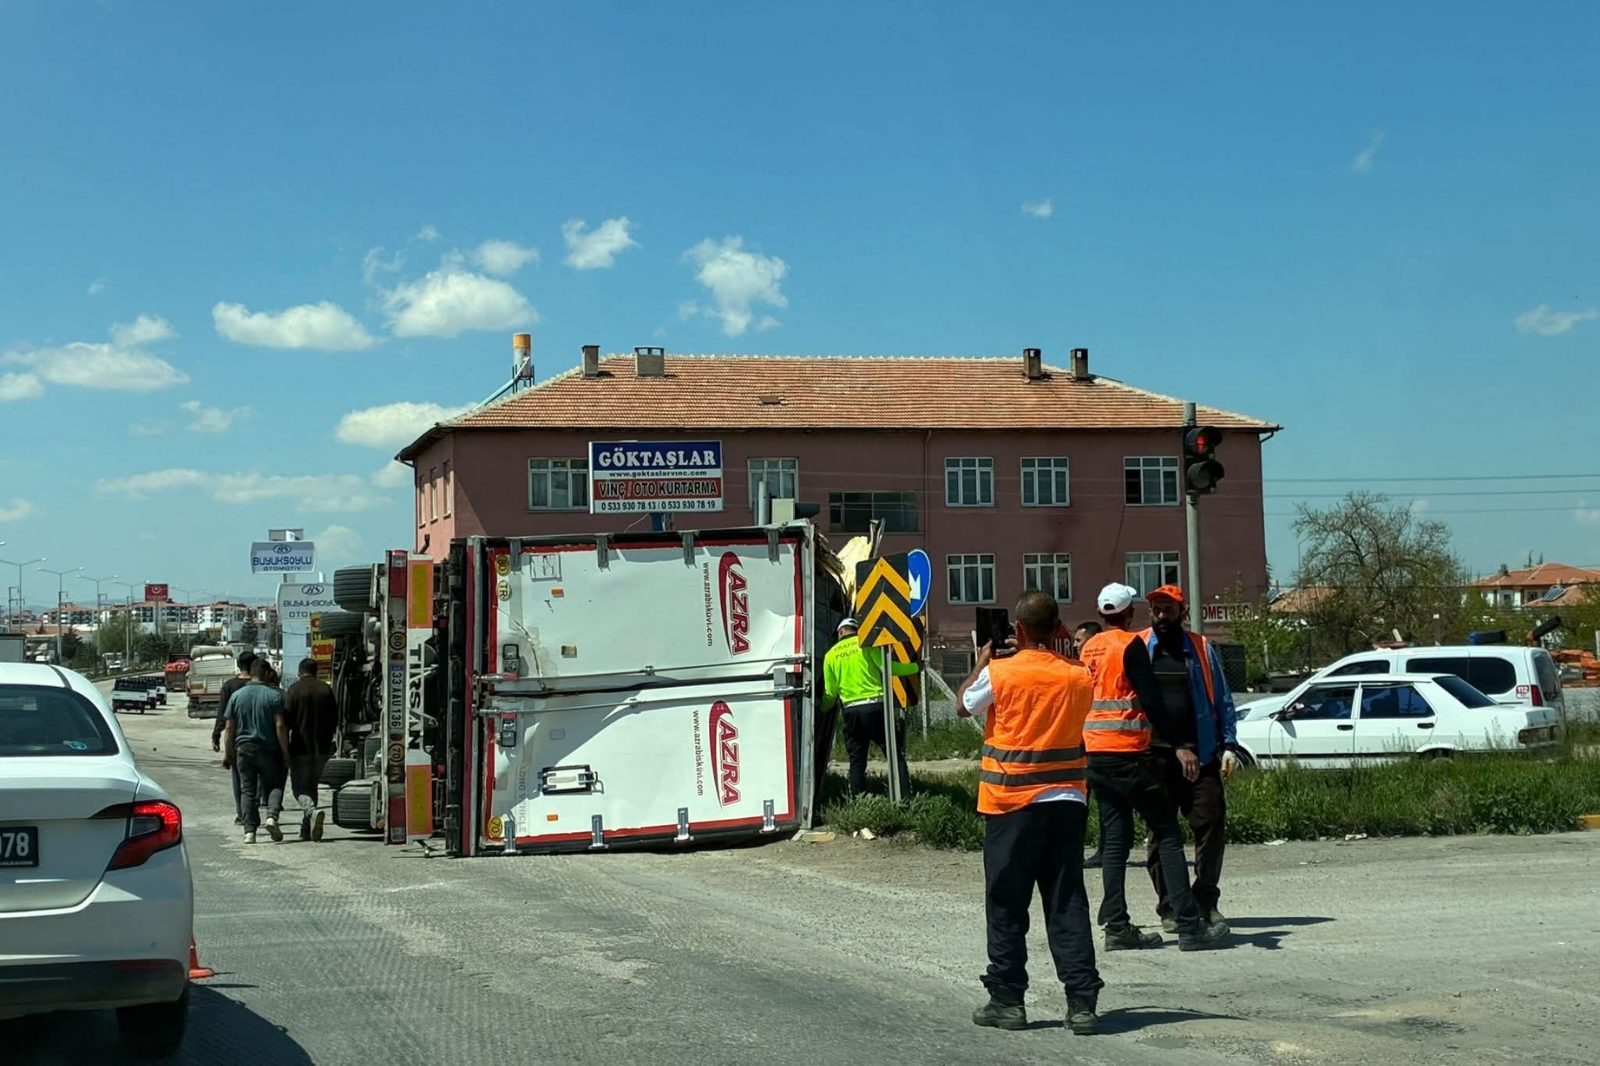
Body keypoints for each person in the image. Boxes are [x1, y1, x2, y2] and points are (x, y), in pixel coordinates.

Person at [957, 591, 1102, 1036]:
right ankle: (1081, 1005)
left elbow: (964, 705)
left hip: (1010, 805)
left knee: (1006, 903)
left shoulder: (1000, 673)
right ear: (1058, 627)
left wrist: (982, 663)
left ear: (1017, 630)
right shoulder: (1079, 676)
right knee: (1066, 900)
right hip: (1067, 804)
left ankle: (1007, 1000)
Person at [1080, 583, 1228, 952]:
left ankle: (1116, 926)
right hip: (1134, 753)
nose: (1160, 615)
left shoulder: (1088, 648)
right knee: (1167, 834)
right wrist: (1179, 744)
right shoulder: (1131, 647)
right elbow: (1151, 701)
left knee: (1114, 843)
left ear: (1100, 614)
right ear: (1131, 613)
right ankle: (1189, 927)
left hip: (1096, 756)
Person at [1140, 585, 1240, 930]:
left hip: (1203, 755)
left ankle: (1205, 900)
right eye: (1157, 610)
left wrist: (1229, 744)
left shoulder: (1201, 648)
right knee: (1159, 835)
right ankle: (1169, 907)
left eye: (1169, 610)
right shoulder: (1140, 648)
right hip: (1156, 758)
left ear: (1182, 612)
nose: (1162, 616)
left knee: (1211, 828)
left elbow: (1222, 698)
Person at [823, 617, 920, 797]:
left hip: (851, 711)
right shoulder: (866, 646)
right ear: (857, 630)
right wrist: (915, 667)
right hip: (876, 707)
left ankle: (858, 799)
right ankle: (904, 796)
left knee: (856, 759)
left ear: (840, 632)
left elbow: (830, 693)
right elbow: (890, 668)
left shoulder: (831, 655)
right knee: (894, 754)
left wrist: (821, 710)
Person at [221, 657, 291, 844]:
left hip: (244, 750)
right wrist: (285, 753)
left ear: (250, 674)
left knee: (248, 790)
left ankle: (249, 832)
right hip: (269, 749)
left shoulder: (237, 696)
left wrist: (228, 754)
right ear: (267, 674)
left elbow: (229, 728)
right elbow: (280, 726)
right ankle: (271, 817)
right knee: (275, 784)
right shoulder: (274, 695)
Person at [285, 658, 338, 842]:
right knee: (312, 785)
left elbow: (286, 722)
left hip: (300, 747)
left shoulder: (294, 690)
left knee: (298, 787)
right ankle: (306, 829)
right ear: (316, 672)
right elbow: (335, 719)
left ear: (300, 672)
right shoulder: (326, 690)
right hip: (322, 748)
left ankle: (311, 811)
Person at [1072, 620, 1106, 868]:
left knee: (1105, 804)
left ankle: (1107, 850)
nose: (1075, 645)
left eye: (1078, 641)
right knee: (1079, 802)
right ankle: (1074, 850)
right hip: (1080, 744)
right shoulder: (1078, 668)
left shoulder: (1099, 669)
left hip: (1100, 745)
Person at [212, 651, 257, 825]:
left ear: (238, 665)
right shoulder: (263, 686)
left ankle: (242, 814)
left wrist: (216, 735)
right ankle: (256, 812)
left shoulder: (230, 686)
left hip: (238, 741)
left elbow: (222, 714)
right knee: (257, 781)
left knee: (239, 781)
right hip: (262, 739)